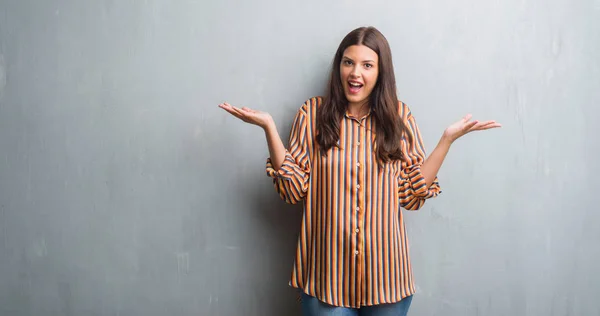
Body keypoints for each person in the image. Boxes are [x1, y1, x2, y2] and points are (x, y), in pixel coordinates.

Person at [219, 26, 500, 316]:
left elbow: (410, 195)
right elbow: (292, 190)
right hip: (325, 279)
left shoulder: (399, 118)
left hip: (387, 281)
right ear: (338, 66)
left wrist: (446, 140)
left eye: (367, 65)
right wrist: (269, 128)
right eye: (348, 62)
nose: (356, 73)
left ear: (380, 73)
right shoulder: (313, 114)